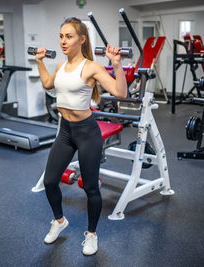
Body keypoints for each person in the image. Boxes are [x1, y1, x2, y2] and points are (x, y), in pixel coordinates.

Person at [35, 16, 127, 256]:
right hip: (65, 131)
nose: (63, 41)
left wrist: (116, 64)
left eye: (69, 36)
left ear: (81, 39)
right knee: (50, 181)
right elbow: (47, 84)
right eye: (61, 36)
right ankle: (59, 221)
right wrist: (39, 61)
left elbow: (120, 92)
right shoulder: (61, 66)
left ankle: (92, 234)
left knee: (90, 188)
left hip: (87, 133)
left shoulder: (91, 67)